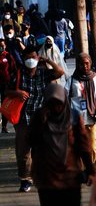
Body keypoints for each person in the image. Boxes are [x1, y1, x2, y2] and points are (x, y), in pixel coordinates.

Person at [28, 83, 94, 206]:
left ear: (64, 101)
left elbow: (83, 145)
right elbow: (29, 141)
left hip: (70, 176)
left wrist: (90, 170)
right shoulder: (39, 118)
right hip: (46, 176)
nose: (55, 107)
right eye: (51, 103)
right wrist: (39, 124)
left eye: (58, 103)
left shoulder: (73, 117)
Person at [5, 45, 65, 192]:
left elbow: (60, 72)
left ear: (37, 58)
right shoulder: (18, 74)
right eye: (27, 57)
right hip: (22, 119)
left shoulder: (43, 73)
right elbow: (6, 90)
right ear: (23, 59)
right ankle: (25, 179)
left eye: (33, 57)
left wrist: (47, 60)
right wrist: (17, 92)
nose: (30, 60)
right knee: (23, 151)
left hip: (41, 118)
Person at [65, 53, 96, 162]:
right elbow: (65, 96)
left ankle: (92, 169)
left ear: (90, 63)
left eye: (87, 63)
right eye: (81, 64)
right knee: (79, 147)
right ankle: (83, 172)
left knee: (92, 146)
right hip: (77, 120)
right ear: (77, 65)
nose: (85, 66)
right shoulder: (72, 80)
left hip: (93, 120)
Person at [0, 38, 17, 133]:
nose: (1, 48)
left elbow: (14, 69)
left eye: (3, 46)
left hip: (5, 85)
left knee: (5, 104)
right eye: (0, 46)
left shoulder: (8, 56)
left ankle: (4, 126)